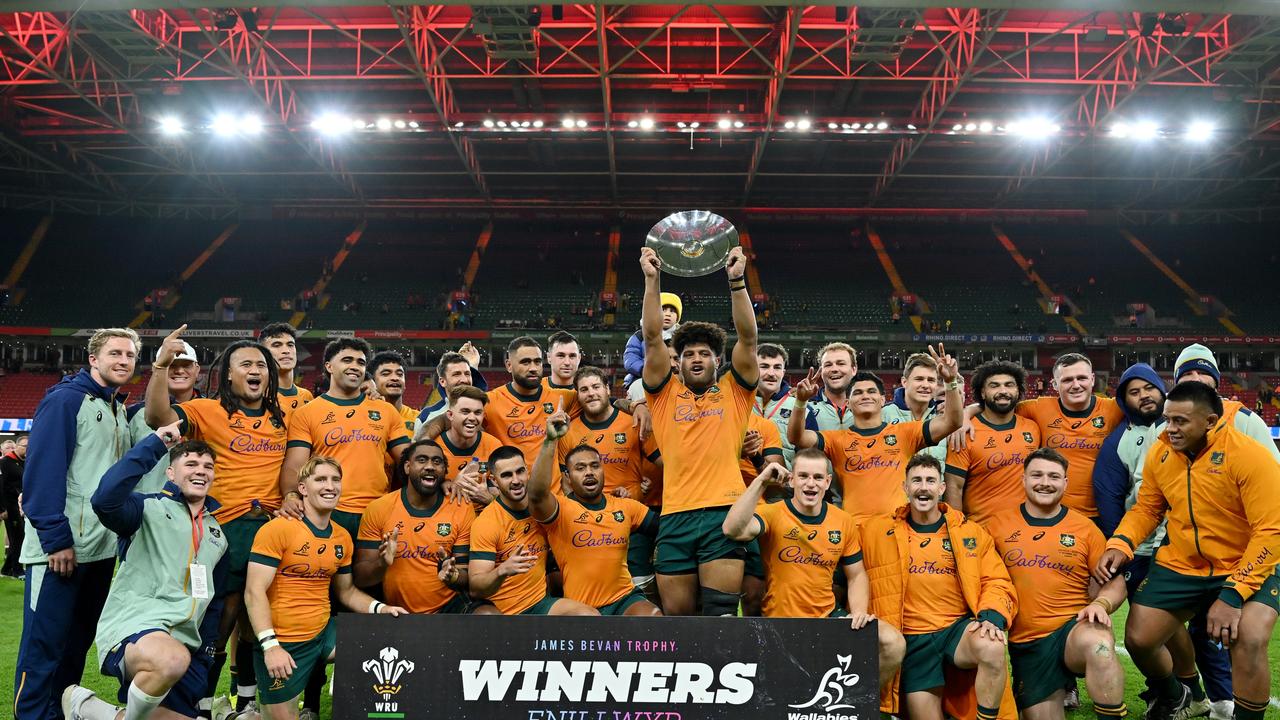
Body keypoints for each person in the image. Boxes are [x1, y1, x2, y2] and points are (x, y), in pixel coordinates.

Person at [1095, 381, 1280, 720]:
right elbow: (1147, 509)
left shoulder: (1250, 456)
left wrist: (1234, 594)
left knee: (1250, 638)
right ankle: (1186, 696)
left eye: (1181, 421)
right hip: (1181, 563)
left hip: (1245, 563)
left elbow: (1271, 530)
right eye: (1168, 419)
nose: (1170, 429)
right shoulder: (1162, 452)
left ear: (1210, 421)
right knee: (1139, 638)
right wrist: (1121, 542)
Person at [145, 331, 287, 717]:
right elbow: (157, 417)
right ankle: (199, 702)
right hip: (218, 535)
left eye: (262, 365)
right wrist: (160, 366)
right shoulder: (207, 410)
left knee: (258, 621)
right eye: (246, 364)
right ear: (227, 375)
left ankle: (246, 701)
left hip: (270, 531)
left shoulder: (285, 417)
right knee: (215, 621)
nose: (255, 370)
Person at [62, 426, 229, 720]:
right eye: (190, 464)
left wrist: (205, 658)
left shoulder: (217, 535)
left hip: (187, 647)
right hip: (138, 629)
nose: (200, 471)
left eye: (208, 466)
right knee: (171, 659)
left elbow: (211, 605)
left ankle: (87, 707)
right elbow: (104, 499)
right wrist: (152, 445)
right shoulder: (145, 508)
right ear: (170, 474)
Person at [15, 327, 139, 720]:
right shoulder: (65, 401)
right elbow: (43, 473)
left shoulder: (116, 406)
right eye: (115, 353)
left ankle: (58, 711)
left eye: (130, 355)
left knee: (75, 644)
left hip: (99, 551)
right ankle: (33, 715)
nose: (123, 361)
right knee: (43, 646)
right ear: (93, 359)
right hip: (61, 551)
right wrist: (56, 540)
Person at [1092, 363, 1228, 718]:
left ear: (1161, 389)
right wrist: (1120, 545)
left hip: (1188, 546)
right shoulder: (1118, 440)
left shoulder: (1188, 428)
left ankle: (1189, 692)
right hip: (1141, 547)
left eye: (1148, 388)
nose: (1143, 396)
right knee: (1154, 624)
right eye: (1133, 392)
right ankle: (1178, 691)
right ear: (1124, 399)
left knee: (1175, 624)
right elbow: (1109, 497)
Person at [640, 245, 758, 617]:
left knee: (721, 617)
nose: (696, 358)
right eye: (688, 353)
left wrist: (737, 281)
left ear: (717, 360)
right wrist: (652, 279)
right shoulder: (663, 395)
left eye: (704, 353)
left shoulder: (735, 392)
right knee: (679, 622)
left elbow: (749, 339)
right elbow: (653, 338)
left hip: (724, 514)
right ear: (678, 363)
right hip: (674, 516)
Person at [244, 456, 407, 720]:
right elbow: (254, 592)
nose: (330, 486)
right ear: (303, 488)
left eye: (335, 480)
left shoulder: (342, 536)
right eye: (320, 479)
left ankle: (355, 701)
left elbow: (347, 592)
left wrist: (382, 608)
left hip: (323, 634)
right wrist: (270, 646)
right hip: (284, 642)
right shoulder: (277, 529)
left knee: (386, 640)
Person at [858, 453, 1017, 720]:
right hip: (913, 641)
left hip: (956, 630)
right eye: (916, 480)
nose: (923, 487)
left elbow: (997, 580)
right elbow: (849, 569)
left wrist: (992, 614)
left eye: (931, 480)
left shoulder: (969, 532)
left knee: (991, 645)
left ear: (941, 488)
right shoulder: (874, 531)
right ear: (905, 488)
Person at [987, 448, 1128, 719]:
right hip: (1027, 643)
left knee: (1098, 645)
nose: (1045, 482)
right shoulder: (997, 526)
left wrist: (1101, 602)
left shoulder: (1085, 529)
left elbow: (1117, 582)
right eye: (1037, 475)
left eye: (1054, 476)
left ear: (1065, 483)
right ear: (1023, 479)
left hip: (1072, 629)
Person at [787, 348, 962, 525]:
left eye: (871, 391)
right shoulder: (836, 440)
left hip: (897, 528)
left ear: (882, 399)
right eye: (858, 392)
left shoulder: (905, 433)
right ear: (848, 403)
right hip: (854, 530)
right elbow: (797, 437)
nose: (865, 396)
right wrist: (801, 402)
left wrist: (950, 382)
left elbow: (952, 422)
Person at [528, 407, 662, 616]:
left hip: (624, 599)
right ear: (568, 476)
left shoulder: (625, 506)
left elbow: (666, 529)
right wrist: (549, 441)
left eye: (594, 466)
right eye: (580, 468)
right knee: (591, 624)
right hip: (582, 607)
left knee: (652, 618)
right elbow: (536, 495)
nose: (589, 472)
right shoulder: (561, 509)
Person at [280, 338, 411, 538]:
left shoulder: (386, 411)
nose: (355, 366)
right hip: (327, 510)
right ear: (329, 366)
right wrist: (290, 495)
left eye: (360, 362)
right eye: (347, 360)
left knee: (375, 568)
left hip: (377, 511)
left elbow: (408, 459)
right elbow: (294, 465)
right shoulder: (308, 412)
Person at [973, 353, 1123, 522]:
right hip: (1051, 513)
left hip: (1102, 513)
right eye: (1067, 380)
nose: (1076, 385)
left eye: (1081, 378)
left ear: (1093, 379)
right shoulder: (1038, 408)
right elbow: (999, 404)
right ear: (1055, 384)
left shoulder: (1114, 409)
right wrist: (965, 414)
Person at [468, 445, 597, 616]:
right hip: (502, 610)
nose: (516, 480)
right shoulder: (487, 522)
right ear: (494, 479)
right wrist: (502, 570)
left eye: (520, 471)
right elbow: (476, 588)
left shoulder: (543, 510)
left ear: (528, 471)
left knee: (589, 616)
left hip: (539, 604)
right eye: (506, 475)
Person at [354, 440, 476, 614]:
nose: (430, 466)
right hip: (396, 612)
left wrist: (453, 575)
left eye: (437, 461)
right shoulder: (378, 509)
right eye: (422, 460)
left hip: (449, 607)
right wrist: (382, 563)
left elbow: (465, 576)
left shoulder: (461, 507)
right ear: (407, 467)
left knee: (487, 615)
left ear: (444, 471)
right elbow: (360, 579)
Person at [944, 360, 1040, 526]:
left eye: (1009, 385)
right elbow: (954, 487)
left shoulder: (1033, 427)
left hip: (1024, 530)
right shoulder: (966, 432)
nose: (1003, 391)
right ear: (982, 393)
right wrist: (957, 530)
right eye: (994, 386)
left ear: (1018, 390)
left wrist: (967, 411)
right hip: (982, 530)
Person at [1170, 343, 1280, 463]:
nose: (1196, 378)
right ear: (1177, 384)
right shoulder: (1161, 428)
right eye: (1187, 374)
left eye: (1203, 372)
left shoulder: (1246, 422)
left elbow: (1274, 472)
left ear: (1216, 382)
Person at [129, 339, 201, 496]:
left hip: (198, 509)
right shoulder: (135, 414)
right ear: (159, 369)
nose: (179, 371)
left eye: (186, 365)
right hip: (147, 508)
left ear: (197, 370)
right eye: (172, 365)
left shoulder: (212, 413)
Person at [882, 353, 950, 463]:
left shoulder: (943, 418)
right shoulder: (883, 416)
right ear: (904, 382)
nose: (925, 385)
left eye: (931, 380)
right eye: (919, 379)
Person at [411, 344, 486, 438]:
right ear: (442, 381)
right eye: (456, 374)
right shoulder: (427, 415)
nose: (464, 379)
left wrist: (473, 366)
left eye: (467, 374)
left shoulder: (486, 410)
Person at [257, 323, 313, 425]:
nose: (286, 351)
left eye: (290, 345)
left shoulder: (307, 396)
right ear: (262, 354)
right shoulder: (257, 396)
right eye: (277, 345)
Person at [623, 292, 681, 385]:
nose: (668, 314)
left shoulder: (682, 337)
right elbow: (630, 358)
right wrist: (644, 369)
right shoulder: (640, 335)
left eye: (672, 311)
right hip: (643, 379)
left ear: (678, 316)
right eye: (663, 309)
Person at [753, 343, 798, 465]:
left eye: (777, 367)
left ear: (783, 372)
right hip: (741, 480)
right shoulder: (739, 402)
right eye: (764, 366)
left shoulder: (800, 407)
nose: (771, 373)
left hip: (784, 480)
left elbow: (808, 454)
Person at [804, 342, 860, 431]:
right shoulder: (805, 406)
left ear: (854, 369)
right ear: (821, 372)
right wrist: (800, 403)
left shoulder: (866, 405)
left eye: (841, 363)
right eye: (828, 365)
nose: (834, 369)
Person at [367, 351, 417, 432]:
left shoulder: (419, 420)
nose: (395, 378)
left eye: (400, 374)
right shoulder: (362, 417)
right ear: (373, 382)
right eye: (386, 374)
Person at [1, 433, 27, 578]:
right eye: (25, 446)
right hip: (10, 507)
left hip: (20, 506)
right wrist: (2, 508)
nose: (27, 449)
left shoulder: (24, 461)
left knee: (18, 538)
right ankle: (17, 570)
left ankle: (6, 569)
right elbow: (1, 486)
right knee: (18, 538)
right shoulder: (5, 462)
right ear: (17, 446)